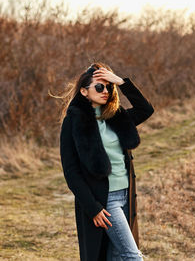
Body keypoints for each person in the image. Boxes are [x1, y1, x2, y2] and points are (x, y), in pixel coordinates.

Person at [59, 62, 154, 260]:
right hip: (104, 200)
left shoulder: (116, 117)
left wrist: (120, 82)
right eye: (99, 87)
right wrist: (93, 207)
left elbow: (145, 109)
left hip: (126, 196)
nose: (105, 91)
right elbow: (71, 172)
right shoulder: (73, 122)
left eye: (108, 87)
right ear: (84, 91)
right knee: (132, 256)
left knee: (116, 257)